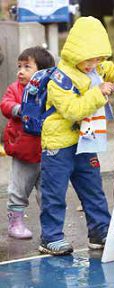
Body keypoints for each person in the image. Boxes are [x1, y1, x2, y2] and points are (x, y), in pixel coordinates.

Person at [38, 16, 114, 255]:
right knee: (55, 193)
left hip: (85, 141)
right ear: (76, 53)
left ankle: (100, 232)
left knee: (93, 189)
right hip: (59, 145)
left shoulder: (97, 67)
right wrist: (98, 93)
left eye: (98, 58)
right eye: (89, 59)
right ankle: (50, 237)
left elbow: (113, 69)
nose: (93, 64)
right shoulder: (60, 78)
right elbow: (72, 110)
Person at [0, 46, 55, 239]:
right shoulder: (15, 89)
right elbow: (5, 104)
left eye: (26, 67)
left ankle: (50, 226)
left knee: (47, 191)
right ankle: (15, 222)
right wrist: (17, 108)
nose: (20, 71)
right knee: (19, 189)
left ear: (42, 72)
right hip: (23, 150)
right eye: (19, 66)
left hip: (46, 151)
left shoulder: (50, 90)